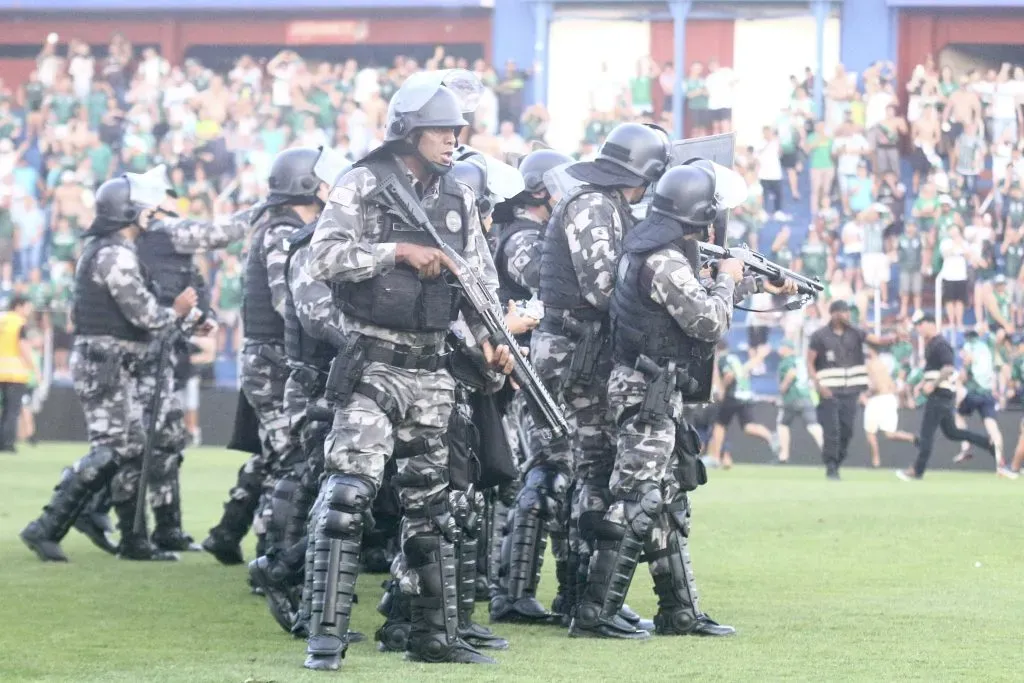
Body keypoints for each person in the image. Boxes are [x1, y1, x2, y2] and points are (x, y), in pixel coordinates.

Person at [304, 69, 514, 669]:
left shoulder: (462, 197)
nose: (455, 138)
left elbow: (480, 281)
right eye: (442, 129)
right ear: (410, 132)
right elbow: (323, 257)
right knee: (348, 497)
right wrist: (395, 252)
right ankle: (325, 637)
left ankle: (434, 637)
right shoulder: (363, 183)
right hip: (373, 362)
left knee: (436, 507)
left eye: (457, 129)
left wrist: (491, 340)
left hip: (433, 369)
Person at [573, 162, 794, 640]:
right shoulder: (665, 260)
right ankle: (595, 612)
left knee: (667, 500)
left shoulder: (657, 251)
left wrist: (755, 283)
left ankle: (680, 611)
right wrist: (731, 277)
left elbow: (694, 295)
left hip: (653, 388)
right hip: (645, 391)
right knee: (637, 497)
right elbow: (708, 322)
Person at [496, 122, 669, 631]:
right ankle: (582, 601)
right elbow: (601, 287)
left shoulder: (599, 201)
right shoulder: (595, 206)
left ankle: (580, 597)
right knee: (585, 473)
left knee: (585, 474)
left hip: (580, 352)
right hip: (575, 355)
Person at [20, 174, 197, 562]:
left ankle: (134, 541)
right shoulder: (115, 255)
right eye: (146, 207)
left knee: (130, 448)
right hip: (106, 366)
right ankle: (47, 527)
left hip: (110, 365)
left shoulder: (109, 250)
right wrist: (180, 312)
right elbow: (147, 316)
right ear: (128, 211)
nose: (153, 213)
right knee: (112, 450)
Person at [114, 165, 253, 553]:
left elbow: (182, 294)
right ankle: (131, 532)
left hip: (162, 355)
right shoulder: (152, 238)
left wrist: (196, 320)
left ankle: (165, 528)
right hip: (141, 357)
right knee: (140, 445)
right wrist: (264, 208)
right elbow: (159, 300)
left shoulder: (158, 246)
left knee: (167, 439)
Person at [203, 148, 324, 567]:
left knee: (274, 452)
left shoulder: (280, 226)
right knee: (290, 455)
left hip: (269, 358)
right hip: (273, 360)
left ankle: (226, 532)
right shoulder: (281, 232)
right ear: (307, 185)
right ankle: (272, 556)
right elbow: (285, 300)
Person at [484, 146, 570, 616]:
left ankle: (527, 589)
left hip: (533, 368)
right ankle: (513, 591)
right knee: (545, 474)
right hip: (528, 372)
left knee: (553, 475)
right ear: (541, 192)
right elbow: (546, 279)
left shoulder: (533, 232)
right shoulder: (523, 238)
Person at [897, 313, 1001, 481]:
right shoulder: (932, 345)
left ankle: (917, 470)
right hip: (940, 395)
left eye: (920, 325)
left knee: (926, 434)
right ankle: (987, 443)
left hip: (940, 395)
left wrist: (933, 384)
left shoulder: (940, 344)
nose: (918, 329)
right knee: (952, 433)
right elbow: (932, 370)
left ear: (929, 323)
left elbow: (948, 368)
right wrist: (921, 384)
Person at [806, 300, 893, 480]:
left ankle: (837, 462)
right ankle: (831, 466)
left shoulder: (856, 333)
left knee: (847, 431)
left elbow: (877, 341)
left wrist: (894, 338)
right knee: (832, 431)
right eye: (843, 312)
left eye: (848, 312)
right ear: (834, 314)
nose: (847, 315)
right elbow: (809, 362)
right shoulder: (819, 336)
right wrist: (818, 385)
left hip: (850, 392)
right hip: (829, 391)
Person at [706, 339, 781, 467]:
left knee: (720, 425)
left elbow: (729, 375)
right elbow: (744, 371)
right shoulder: (735, 358)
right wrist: (760, 356)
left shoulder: (723, 359)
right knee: (748, 426)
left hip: (732, 396)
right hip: (745, 396)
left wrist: (722, 390)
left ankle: (715, 458)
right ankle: (770, 435)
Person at [951, 331, 1016, 478]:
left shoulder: (970, 346)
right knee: (993, 428)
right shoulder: (987, 347)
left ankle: (965, 447)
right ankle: (1000, 463)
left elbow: (965, 369)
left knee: (958, 415)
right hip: (988, 394)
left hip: (974, 391)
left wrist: (959, 377)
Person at [862, 346, 918, 468]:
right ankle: (912, 438)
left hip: (878, 399)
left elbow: (874, 386)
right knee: (890, 434)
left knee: (870, 431)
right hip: (890, 398)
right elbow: (894, 382)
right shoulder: (887, 362)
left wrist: (865, 395)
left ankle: (876, 460)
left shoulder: (870, 364)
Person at [776, 339, 823, 464]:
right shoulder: (801, 361)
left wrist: (783, 387)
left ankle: (784, 455)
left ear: (788, 349)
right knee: (813, 425)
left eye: (782, 346)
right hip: (806, 396)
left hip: (793, 397)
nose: (779, 349)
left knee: (783, 424)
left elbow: (791, 373)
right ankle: (827, 449)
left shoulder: (788, 361)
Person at [0, 295, 35, 452]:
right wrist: (34, 368)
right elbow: (22, 346)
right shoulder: (20, 323)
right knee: (12, 410)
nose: (29, 310)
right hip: (15, 372)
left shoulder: (2, 319)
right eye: (27, 306)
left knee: (4, 410)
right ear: (19, 306)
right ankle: (7, 443)